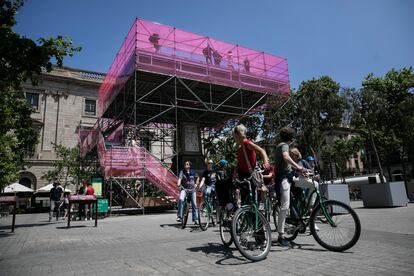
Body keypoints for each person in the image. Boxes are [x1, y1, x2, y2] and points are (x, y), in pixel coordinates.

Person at [274, 127, 308, 246]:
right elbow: (286, 157)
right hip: (283, 178)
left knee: (314, 184)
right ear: (291, 138)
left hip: (290, 176)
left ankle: (305, 214)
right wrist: (299, 167)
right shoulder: (284, 145)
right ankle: (281, 235)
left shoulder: (281, 145)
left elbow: (286, 165)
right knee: (285, 205)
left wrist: (301, 171)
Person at [233, 124, 270, 206]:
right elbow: (239, 163)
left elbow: (261, 151)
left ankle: (256, 216)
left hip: (251, 174)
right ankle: (246, 215)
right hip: (243, 175)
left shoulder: (247, 143)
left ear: (237, 134)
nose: (234, 137)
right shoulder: (239, 148)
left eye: (234, 135)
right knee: (244, 199)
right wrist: (234, 174)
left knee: (252, 199)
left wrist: (266, 162)